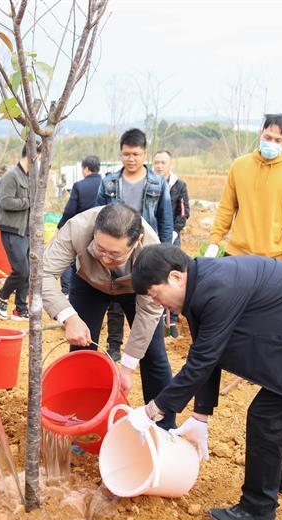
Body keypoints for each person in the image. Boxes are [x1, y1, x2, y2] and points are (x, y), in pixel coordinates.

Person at [129, 245, 282, 520]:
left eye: (154, 294)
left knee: (267, 415)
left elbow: (202, 361)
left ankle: (258, 510)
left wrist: (153, 410)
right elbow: (207, 352)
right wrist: (200, 416)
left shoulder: (218, 289)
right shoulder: (203, 284)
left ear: (175, 277)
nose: (158, 303)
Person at [42, 203, 174, 428]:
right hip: (89, 283)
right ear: (94, 233)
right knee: (82, 350)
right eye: (100, 249)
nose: (105, 258)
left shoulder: (152, 250)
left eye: (114, 254)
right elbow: (42, 273)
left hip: (136, 289)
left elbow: (150, 311)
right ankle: (82, 420)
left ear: (136, 242)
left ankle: (165, 426)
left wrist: (128, 366)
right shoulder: (77, 228)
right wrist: (69, 317)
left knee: (153, 354)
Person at [97, 129, 173, 360]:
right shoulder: (109, 182)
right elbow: (96, 215)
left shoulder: (157, 183)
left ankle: (144, 350)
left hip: (145, 252)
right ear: (121, 154)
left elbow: (165, 221)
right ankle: (114, 346)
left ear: (145, 154)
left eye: (136, 154)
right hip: (116, 251)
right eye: (126, 154)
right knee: (116, 301)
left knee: (147, 301)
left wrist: (165, 255)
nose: (131, 159)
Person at [205, 113, 282, 263]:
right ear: (260, 133)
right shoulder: (239, 165)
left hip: (274, 258)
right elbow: (227, 207)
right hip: (236, 254)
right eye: (268, 137)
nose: (272, 142)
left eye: (278, 140)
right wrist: (215, 240)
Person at [0, 144, 40, 321]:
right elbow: (6, 202)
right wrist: (29, 201)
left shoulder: (30, 178)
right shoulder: (11, 176)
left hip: (26, 231)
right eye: (40, 158)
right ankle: (1, 297)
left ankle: (20, 308)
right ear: (31, 156)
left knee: (27, 271)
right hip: (12, 229)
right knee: (20, 270)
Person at [152, 149, 191, 337]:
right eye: (157, 162)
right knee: (155, 277)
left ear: (170, 164)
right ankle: (157, 318)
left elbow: (184, 212)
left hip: (173, 240)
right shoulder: (150, 184)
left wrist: (174, 231)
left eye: (163, 163)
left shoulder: (179, 185)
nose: (159, 166)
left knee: (176, 277)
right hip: (153, 239)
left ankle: (173, 320)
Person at [58, 155, 103, 294]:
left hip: (82, 229)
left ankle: (66, 289)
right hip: (103, 231)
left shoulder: (80, 185)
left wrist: (61, 225)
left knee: (70, 257)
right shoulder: (106, 183)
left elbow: (70, 209)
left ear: (86, 168)